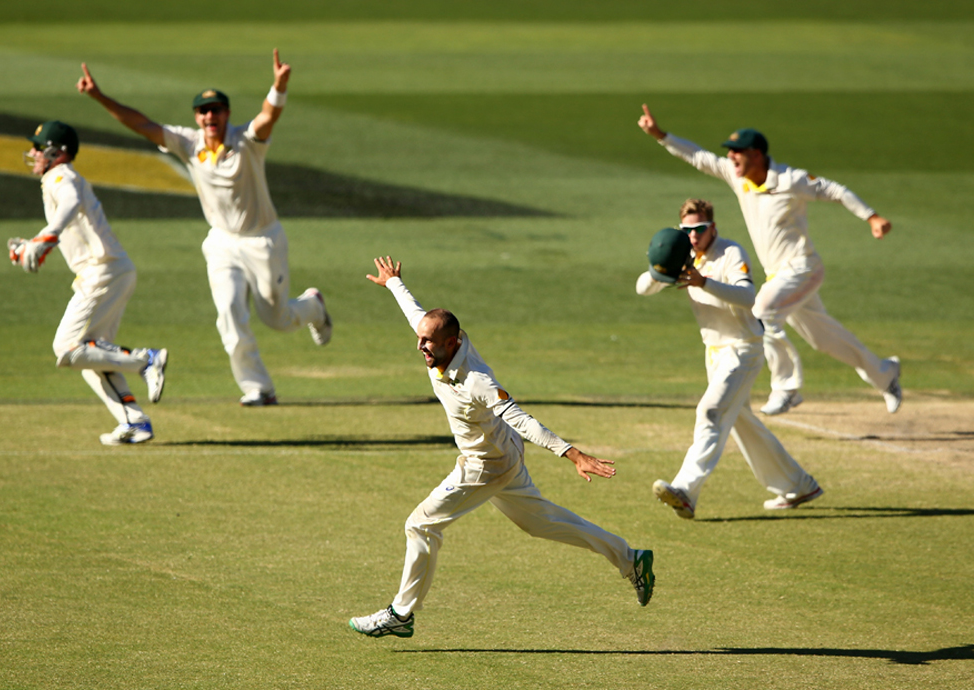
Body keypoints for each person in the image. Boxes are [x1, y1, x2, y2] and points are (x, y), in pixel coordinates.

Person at [349, 256, 654, 638]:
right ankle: (630, 559)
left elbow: (522, 419)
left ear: (451, 343)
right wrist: (394, 282)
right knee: (540, 523)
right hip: (503, 454)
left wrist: (573, 454)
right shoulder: (436, 342)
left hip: (485, 464)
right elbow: (416, 314)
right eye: (420, 338)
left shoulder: (477, 381)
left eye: (428, 342)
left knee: (421, 525)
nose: (420, 346)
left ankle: (401, 614)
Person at [77, 50, 331, 406]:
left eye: (216, 110)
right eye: (203, 111)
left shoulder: (247, 142)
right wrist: (99, 96)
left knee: (277, 318)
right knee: (228, 313)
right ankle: (258, 388)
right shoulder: (189, 143)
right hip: (222, 243)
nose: (210, 116)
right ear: (197, 117)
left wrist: (278, 86)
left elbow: (268, 117)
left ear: (227, 114)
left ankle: (313, 307)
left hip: (263, 241)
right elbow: (142, 125)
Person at [637, 105, 902, 416]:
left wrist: (871, 217)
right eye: (730, 152)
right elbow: (699, 157)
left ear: (757, 154)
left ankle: (786, 388)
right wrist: (660, 135)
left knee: (762, 310)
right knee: (823, 338)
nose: (731, 157)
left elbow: (835, 190)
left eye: (737, 152)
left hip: (803, 267)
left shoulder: (790, 180)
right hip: (778, 275)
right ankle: (885, 373)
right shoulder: (738, 177)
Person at [637, 200, 823, 519]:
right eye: (687, 230)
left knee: (710, 412)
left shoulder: (730, 252)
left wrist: (703, 282)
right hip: (714, 353)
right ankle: (799, 485)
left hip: (743, 348)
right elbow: (643, 288)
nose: (694, 236)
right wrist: (661, 265)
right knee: (740, 421)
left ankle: (685, 491)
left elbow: (748, 297)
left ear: (713, 227)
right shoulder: (686, 255)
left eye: (700, 229)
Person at [8, 120, 168, 445]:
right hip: (110, 270)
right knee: (92, 356)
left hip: (102, 271)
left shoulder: (60, 176)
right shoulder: (61, 177)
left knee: (67, 348)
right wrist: (37, 243)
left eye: (38, 148)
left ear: (56, 152)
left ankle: (146, 359)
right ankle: (135, 423)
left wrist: (46, 238)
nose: (33, 153)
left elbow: (69, 204)